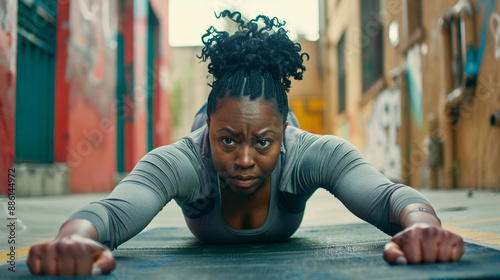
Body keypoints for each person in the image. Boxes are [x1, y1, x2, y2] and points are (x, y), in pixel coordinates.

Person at [27, 11, 464, 276]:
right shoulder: (184, 161)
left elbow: (391, 197)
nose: (243, 159)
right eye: (228, 139)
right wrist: (76, 241)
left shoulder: (309, 153)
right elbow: (110, 212)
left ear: (285, 137)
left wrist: (422, 227)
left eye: (264, 142)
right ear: (208, 129)